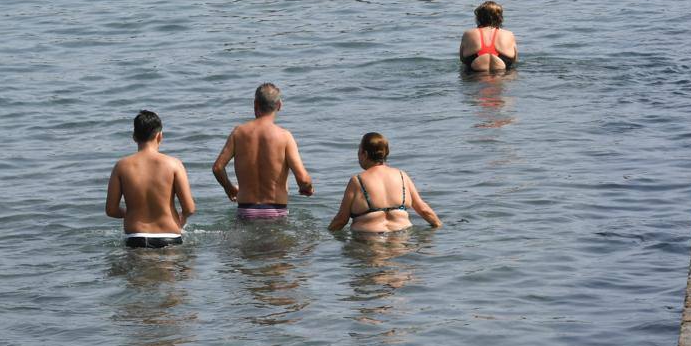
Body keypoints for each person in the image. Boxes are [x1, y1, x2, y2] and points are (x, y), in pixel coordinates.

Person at [211, 83, 314, 220]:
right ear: (279, 105)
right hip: (276, 213)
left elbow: (218, 168)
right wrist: (306, 187)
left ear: (255, 104)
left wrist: (229, 188)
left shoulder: (238, 133)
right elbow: (303, 179)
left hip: (246, 211)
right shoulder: (285, 137)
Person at [106, 110, 196, 248]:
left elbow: (111, 210)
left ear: (134, 137)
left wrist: (131, 212)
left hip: (136, 238)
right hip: (170, 236)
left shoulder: (122, 166)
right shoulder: (174, 164)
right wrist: (181, 219)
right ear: (159, 136)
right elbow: (189, 208)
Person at [329, 132, 441, 233]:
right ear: (386, 153)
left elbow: (341, 220)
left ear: (365, 154)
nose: (358, 156)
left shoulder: (357, 181)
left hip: (369, 243)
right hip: (402, 241)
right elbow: (424, 210)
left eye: (359, 151)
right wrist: (439, 225)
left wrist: (324, 236)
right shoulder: (402, 176)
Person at [459, 0, 518, 72]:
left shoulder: (468, 34)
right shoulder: (509, 34)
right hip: (503, 71)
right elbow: (515, 59)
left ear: (479, 17)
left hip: (475, 70)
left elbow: (462, 59)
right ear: (499, 17)